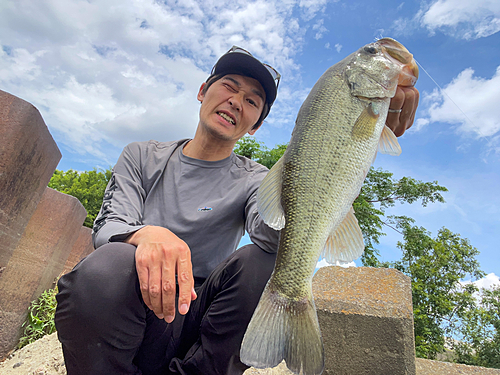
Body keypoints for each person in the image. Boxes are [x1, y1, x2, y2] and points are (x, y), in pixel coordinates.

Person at [55, 46, 419, 375]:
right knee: (108, 264)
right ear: (202, 91)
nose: (236, 101)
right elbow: (108, 226)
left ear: (256, 125)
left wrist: (331, 172)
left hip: (200, 321)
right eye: (229, 86)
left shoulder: (255, 179)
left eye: (252, 100)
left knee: (261, 265)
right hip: (131, 313)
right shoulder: (141, 155)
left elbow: (271, 235)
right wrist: (147, 234)